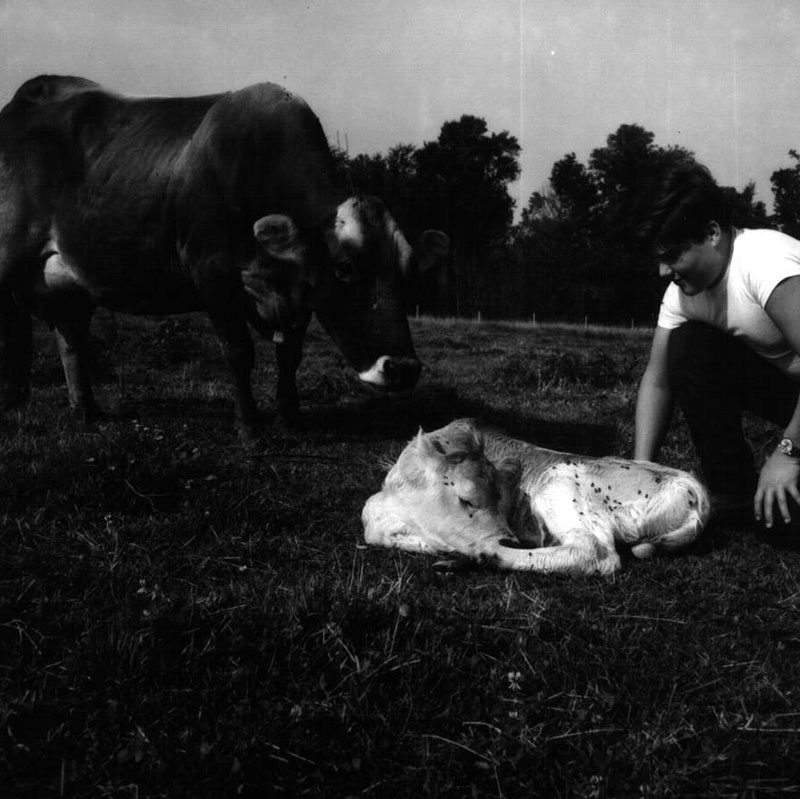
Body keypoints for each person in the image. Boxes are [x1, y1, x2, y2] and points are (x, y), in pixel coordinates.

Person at [635, 162, 800, 531]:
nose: (664, 271)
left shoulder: (764, 262)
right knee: (687, 345)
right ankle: (733, 492)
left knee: (788, 527)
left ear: (711, 233)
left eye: (673, 254)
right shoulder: (681, 294)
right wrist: (641, 470)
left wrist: (789, 455)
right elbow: (658, 380)